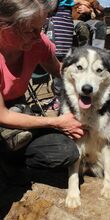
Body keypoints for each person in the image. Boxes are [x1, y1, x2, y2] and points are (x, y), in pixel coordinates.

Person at [0, 0, 84, 185]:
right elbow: (2, 114)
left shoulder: (39, 43)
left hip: (17, 107)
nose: (39, 37)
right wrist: (56, 122)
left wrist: (86, 81)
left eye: (42, 28)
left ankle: (11, 158)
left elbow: (59, 71)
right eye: (31, 30)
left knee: (66, 152)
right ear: (5, 27)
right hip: (3, 113)